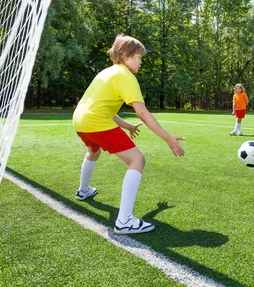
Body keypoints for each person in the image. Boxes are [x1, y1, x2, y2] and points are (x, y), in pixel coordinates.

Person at [73, 34, 185, 234]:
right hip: (95, 121)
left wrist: (128, 127)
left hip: (80, 120)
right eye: (139, 57)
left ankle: (83, 190)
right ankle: (124, 221)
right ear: (126, 55)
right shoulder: (126, 76)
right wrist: (168, 138)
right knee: (137, 160)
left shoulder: (107, 73)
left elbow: (103, 107)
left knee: (93, 151)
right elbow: (142, 112)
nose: (141, 62)